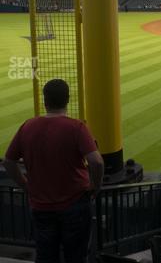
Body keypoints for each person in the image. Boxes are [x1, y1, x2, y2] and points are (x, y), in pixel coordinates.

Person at [3, 79, 104, 262]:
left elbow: (9, 161)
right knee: (76, 256)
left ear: (44, 100)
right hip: (75, 204)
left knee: (46, 256)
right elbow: (96, 162)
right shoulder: (77, 127)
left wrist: (25, 184)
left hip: (41, 206)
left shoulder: (27, 126)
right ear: (67, 99)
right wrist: (96, 186)